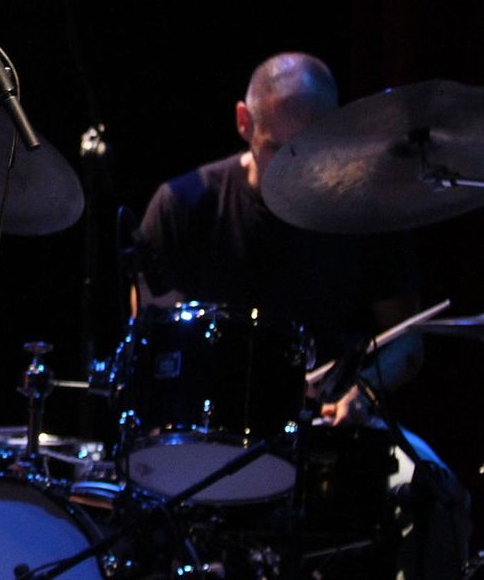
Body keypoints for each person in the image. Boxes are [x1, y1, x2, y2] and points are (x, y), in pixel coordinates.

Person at [135, 51, 468, 576]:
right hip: (216, 438)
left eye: (310, 149)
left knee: (442, 499)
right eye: (279, 149)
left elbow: (408, 340)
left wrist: (367, 391)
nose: (297, 168)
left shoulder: (371, 209)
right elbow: (151, 344)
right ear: (245, 123)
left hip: (338, 430)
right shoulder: (182, 207)